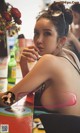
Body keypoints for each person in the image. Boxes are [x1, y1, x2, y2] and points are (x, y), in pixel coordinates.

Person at [0, 2, 80, 132]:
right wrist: (23, 64)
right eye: (36, 33)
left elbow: (8, 99)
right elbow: (31, 90)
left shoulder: (48, 61)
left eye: (47, 34)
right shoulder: (71, 56)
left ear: (61, 40)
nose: (38, 40)